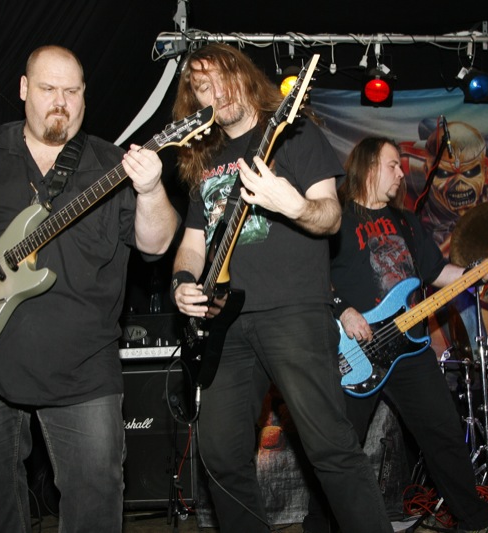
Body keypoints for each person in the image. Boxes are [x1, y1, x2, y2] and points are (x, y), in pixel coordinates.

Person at [0, 45, 177, 531]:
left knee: (96, 499)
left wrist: (151, 189)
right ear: (23, 89)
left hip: (82, 367)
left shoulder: (111, 163)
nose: (61, 102)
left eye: (72, 91)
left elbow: (155, 244)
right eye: (49, 88)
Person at [170, 44, 393, 533]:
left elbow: (330, 216)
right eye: (202, 86)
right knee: (220, 455)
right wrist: (182, 281)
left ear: (245, 76)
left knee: (330, 447)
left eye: (223, 77)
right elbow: (191, 242)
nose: (216, 92)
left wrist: (291, 205)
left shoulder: (293, 132)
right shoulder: (204, 159)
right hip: (223, 324)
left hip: (293, 310)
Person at [304, 137, 488, 533]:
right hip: (356, 349)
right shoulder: (335, 219)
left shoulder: (408, 223)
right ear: (369, 167)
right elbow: (310, 275)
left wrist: (482, 271)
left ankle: (475, 521)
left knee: (444, 432)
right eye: (393, 165)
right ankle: (318, 527)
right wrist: (342, 309)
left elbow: (438, 273)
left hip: (410, 349)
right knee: (340, 447)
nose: (402, 173)